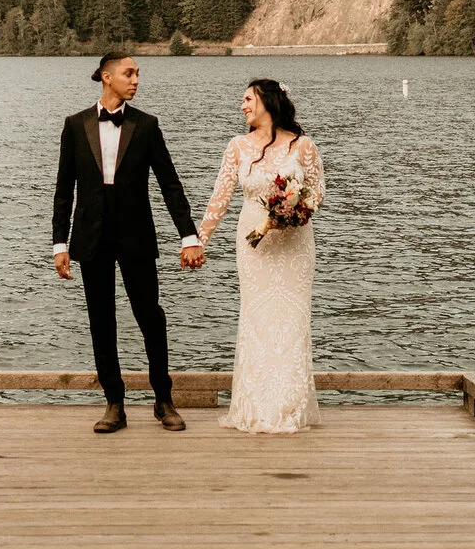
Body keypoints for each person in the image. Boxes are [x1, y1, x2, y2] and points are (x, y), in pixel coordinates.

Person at [52, 51, 203, 433]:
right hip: (90, 237)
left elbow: (170, 184)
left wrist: (188, 235)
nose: (136, 80)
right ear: (107, 76)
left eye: (137, 74)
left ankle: (163, 400)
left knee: (150, 316)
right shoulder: (74, 125)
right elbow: (63, 190)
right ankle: (114, 404)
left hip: (136, 235)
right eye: (129, 73)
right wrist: (59, 244)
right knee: (101, 321)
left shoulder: (147, 125)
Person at [196, 77, 325, 433]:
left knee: (292, 319)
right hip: (252, 242)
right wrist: (199, 241)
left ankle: (289, 407)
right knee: (257, 317)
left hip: (295, 245)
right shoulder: (237, 147)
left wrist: (291, 212)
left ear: (268, 101)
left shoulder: (304, 146)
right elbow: (219, 198)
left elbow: (316, 194)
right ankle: (255, 407)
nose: (243, 106)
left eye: (248, 99)